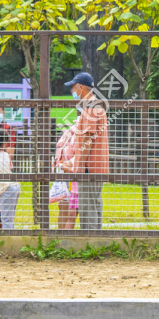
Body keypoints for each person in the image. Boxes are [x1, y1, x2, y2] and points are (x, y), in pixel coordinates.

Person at [66, 73, 108, 230]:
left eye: (73, 87)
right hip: (97, 165)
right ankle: (96, 239)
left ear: (81, 87)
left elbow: (88, 138)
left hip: (89, 167)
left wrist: (80, 165)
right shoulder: (96, 105)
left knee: (87, 206)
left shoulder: (89, 107)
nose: (72, 90)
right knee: (95, 203)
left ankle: (89, 241)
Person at [53, 124, 79, 229]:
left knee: (65, 208)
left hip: (71, 174)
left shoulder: (70, 134)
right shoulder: (72, 133)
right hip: (68, 174)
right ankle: (62, 235)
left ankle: (62, 234)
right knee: (65, 206)